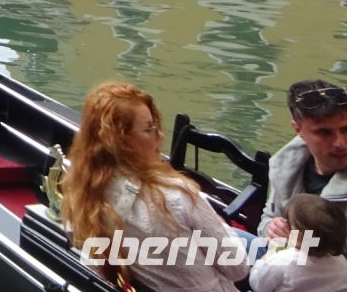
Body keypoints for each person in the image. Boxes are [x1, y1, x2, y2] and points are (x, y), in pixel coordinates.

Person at [63, 81, 249, 292]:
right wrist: (222, 226)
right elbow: (238, 269)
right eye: (149, 129)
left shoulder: (86, 193)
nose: (159, 135)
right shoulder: (178, 196)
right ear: (120, 141)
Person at [260, 81, 347, 241]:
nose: (340, 143)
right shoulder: (284, 167)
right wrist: (271, 228)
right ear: (298, 129)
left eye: (345, 129)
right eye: (324, 133)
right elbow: (268, 218)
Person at [249, 193, 347, 292]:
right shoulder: (341, 261)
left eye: (288, 223)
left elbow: (257, 284)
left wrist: (271, 254)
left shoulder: (282, 260)